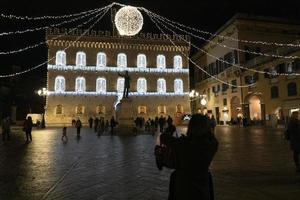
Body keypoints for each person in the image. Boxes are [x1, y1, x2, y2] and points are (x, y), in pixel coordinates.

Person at [157, 114, 218, 200]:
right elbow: (211, 137)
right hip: (202, 185)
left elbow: (163, 137)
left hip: (183, 186)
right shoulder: (212, 144)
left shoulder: (182, 144)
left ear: (191, 127)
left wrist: (173, 126)